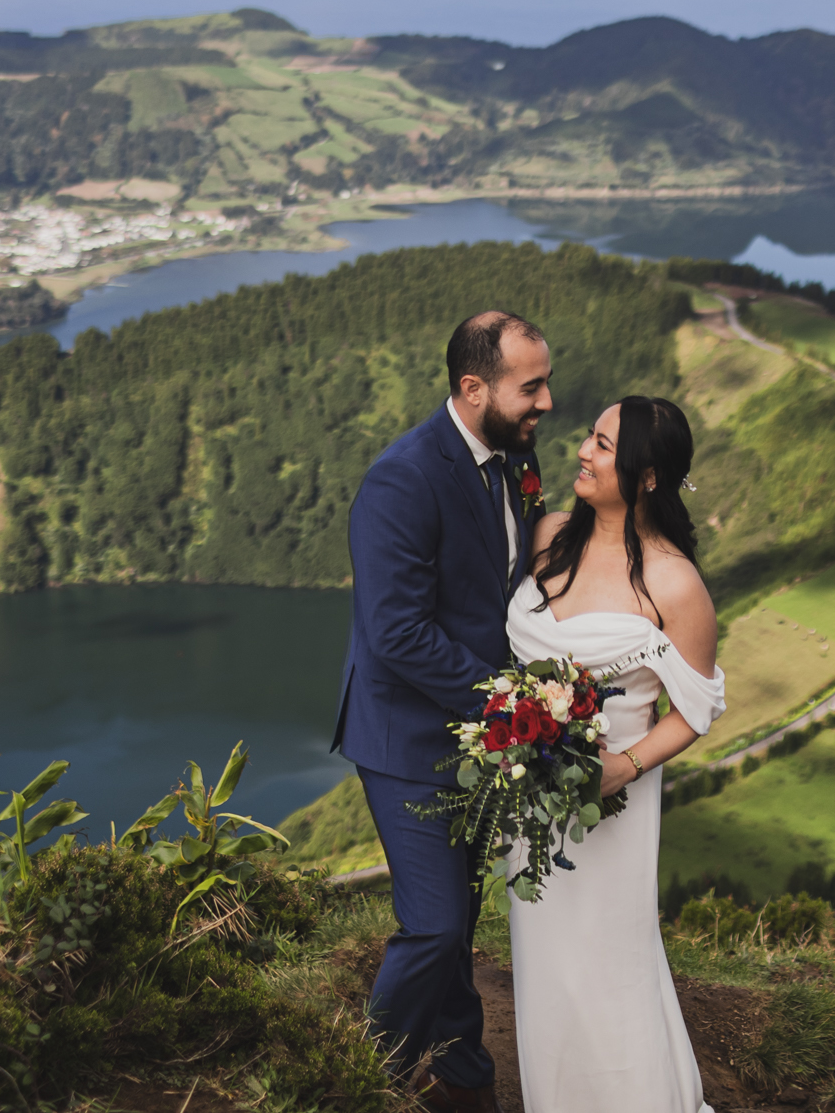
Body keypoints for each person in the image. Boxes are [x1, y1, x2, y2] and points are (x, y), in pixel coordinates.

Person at [334, 310, 553, 1113]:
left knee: (457, 914)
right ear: (474, 387)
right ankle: (358, 1080)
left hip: (474, 736)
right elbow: (395, 634)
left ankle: (464, 1078)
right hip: (405, 736)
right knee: (431, 923)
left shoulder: (513, 461)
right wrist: (510, 702)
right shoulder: (403, 477)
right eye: (532, 385)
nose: (547, 401)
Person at [507, 395, 726, 1113]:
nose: (583, 451)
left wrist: (620, 768)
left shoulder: (674, 583)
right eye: (590, 437)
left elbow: (695, 708)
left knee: (609, 958)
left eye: (603, 444)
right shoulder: (548, 534)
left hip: (616, 800)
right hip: (532, 798)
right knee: (544, 963)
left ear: (648, 475)